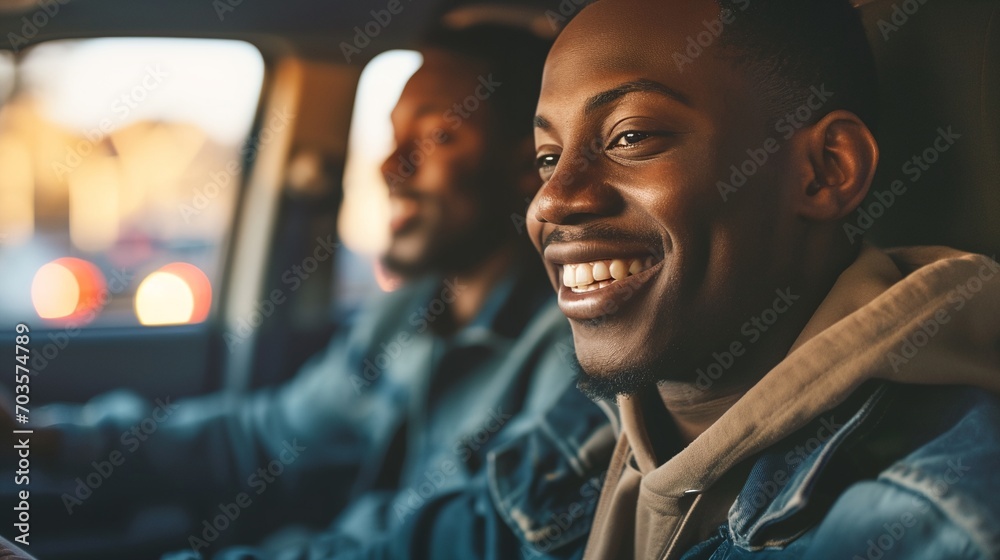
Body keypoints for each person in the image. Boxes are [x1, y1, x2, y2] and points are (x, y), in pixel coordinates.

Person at [6, 23, 581, 558]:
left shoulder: (571, 353)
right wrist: (39, 438)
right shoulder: (405, 314)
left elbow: (432, 547)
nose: (391, 166)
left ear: (530, 165)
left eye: (438, 135)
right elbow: (266, 439)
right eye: (392, 135)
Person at [525, 0, 1000, 558]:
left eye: (630, 137)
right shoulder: (568, 441)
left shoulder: (927, 524)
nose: (552, 200)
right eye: (548, 157)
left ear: (826, 170)